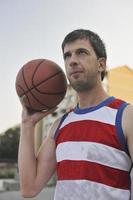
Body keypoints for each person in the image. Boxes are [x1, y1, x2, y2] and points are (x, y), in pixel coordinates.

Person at [18, 29, 133, 200]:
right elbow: (29, 188)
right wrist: (27, 125)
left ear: (101, 64)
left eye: (81, 52)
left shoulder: (125, 116)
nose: (72, 61)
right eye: (67, 56)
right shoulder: (59, 125)